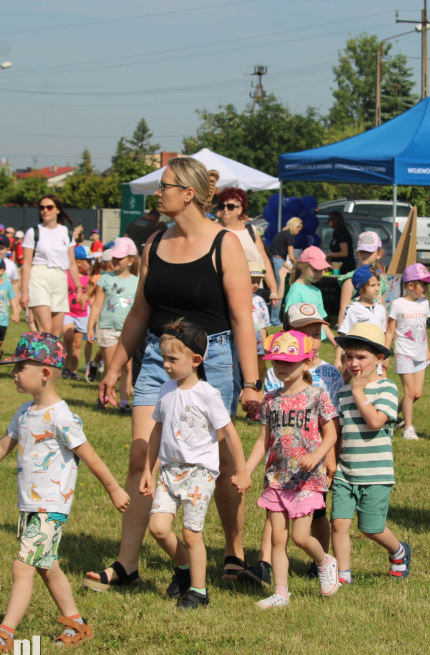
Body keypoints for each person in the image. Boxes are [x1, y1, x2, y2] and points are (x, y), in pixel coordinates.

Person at [87, 156, 262, 590]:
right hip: (156, 360)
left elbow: (243, 319)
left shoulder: (226, 245)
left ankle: (234, 553)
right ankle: (128, 564)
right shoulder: (153, 244)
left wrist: (252, 384)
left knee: (218, 462)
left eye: (163, 186)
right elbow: (139, 312)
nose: (156, 193)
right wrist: (113, 369)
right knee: (140, 455)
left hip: (212, 361)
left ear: (188, 193)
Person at [0, 332, 130, 651]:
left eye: (20, 367)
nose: (14, 374)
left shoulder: (61, 416)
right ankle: (76, 623)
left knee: (23, 566)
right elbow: (3, 445)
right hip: (30, 505)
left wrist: (115, 489)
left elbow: (90, 456)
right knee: (47, 566)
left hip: (51, 506)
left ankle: (4, 633)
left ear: (44, 373)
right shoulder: (24, 411)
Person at [139, 319, 251, 608]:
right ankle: (185, 567)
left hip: (199, 474)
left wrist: (241, 471)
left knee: (191, 533)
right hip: (168, 472)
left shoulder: (208, 395)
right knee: (159, 528)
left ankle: (198, 591)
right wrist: (148, 471)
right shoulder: (166, 390)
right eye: (164, 357)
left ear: (195, 359)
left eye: (172, 359)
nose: (165, 364)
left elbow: (229, 434)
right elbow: (156, 432)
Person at [241, 302, 345, 587]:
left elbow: (332, 424)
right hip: (278, 469)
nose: (313, 339)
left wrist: (329, 457)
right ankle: (272, 577)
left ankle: (321, 562)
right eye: (306, 331)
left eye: (317, 332)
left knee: (313, 519)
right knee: (277, 529)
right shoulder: (277, 372)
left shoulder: (328, 376)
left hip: (311, 469)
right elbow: (266, 431)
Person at [331, 323, 411, 585]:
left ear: (379, 359)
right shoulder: (342, 393)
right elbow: (339, 433)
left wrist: (358, 391)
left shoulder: (386, 388)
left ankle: (398, 551)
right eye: (348, 356)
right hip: (346, 471)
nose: (353, 363)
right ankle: (343, 576)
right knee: (339, 525)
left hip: (376, 473)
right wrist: (333, 464)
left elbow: (376, 422)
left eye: (361, 357)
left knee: (371, 528)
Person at [88, 237, 139, 412]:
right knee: (111, 368)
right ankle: (104, 397)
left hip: (128, 329)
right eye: (114, 257)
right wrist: (90, 327)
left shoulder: (137, 281)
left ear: (131, 260)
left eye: (120, 258)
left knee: (127, 368)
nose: (116, 261)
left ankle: (124, 403)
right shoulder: (105, 278)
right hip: (108, 328)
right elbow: (96, 305)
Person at [387, 263, 430, 441]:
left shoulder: (424, 304)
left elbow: (422, 331)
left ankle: (389, 417)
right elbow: (391, 330)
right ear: (410, 285)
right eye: (423, 284)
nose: (426, 288)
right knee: (409, 392)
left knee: (417, 394)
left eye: (427, 285)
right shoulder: (398, 304)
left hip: (420, 354)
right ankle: (408, 428)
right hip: (404, 353)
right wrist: (385, 353)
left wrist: (428, 352)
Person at [20, 195, 82, 337]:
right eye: (42, 207)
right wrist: (24, 292)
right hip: (39, 277)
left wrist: (78, 288)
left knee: (55, 332)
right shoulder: (33, 232)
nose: (45, 210)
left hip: (60, 278)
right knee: (45, 329)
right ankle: (41, 359)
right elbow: (27, 264)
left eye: (49, 207)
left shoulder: (66, 232)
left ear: (58, 210)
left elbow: (72, 263)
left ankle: (51, 359)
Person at [215, 186, 278, 299]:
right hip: (229, 293)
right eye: (221, 206)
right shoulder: (215, 231)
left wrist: (273, 289)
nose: (225, 209)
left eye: (230, 206)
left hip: (257, 294)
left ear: (240, 210)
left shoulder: (251, 231)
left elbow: (264, 260)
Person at [335, 264, 387, 370]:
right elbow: (343, 334)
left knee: (378, 382)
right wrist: (337, 359)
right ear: (361, 288)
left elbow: (383, 334)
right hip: (358, 357)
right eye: (372, 285)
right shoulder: (353, 309)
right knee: (348, 380)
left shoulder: (380, 309)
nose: (377, 289)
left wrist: (385, 355)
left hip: (376, 356)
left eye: (378, 284)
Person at [337, 232, 386, 327]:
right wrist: (342, 337)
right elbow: (344, 309)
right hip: (356, 331)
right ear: (357, 253)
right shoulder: (351, 279)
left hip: (376, 332)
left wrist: (385, 334)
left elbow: (383, 308)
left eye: (369, 251)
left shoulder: (382, 280)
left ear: (379, 254)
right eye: (362, 251)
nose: (364, 255)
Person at [284, 246, 333, 340]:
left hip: (316, 340)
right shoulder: (296, 290)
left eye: (322, 270)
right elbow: (289, 320)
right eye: (315, 270)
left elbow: (321, 320)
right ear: (303, 267)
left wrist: (333, 340)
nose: (319, 273)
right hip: (302, 340)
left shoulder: (317, 291)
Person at [62, 245, 93, 380]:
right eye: (88, 261)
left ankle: (74, 370)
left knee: (77, 344)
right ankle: (65, 368)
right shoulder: (67, 274)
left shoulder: (89, 278)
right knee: (68, 338)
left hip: (82, 314)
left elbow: (92, 296)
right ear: (78, 262)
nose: (90, 264)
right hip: (67, 312)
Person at [269, 217, 302, 324]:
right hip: (278, 262)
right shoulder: (289, 236)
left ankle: (271, 318)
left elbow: (278, 256)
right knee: (280, 291)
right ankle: (275, 320)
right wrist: (297, 267)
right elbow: (291, 256)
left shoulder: (280, 234)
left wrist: (290, 268)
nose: (298, 232)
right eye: (299, 229)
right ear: (295, 226)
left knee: (273, 290)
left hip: (274, 261)